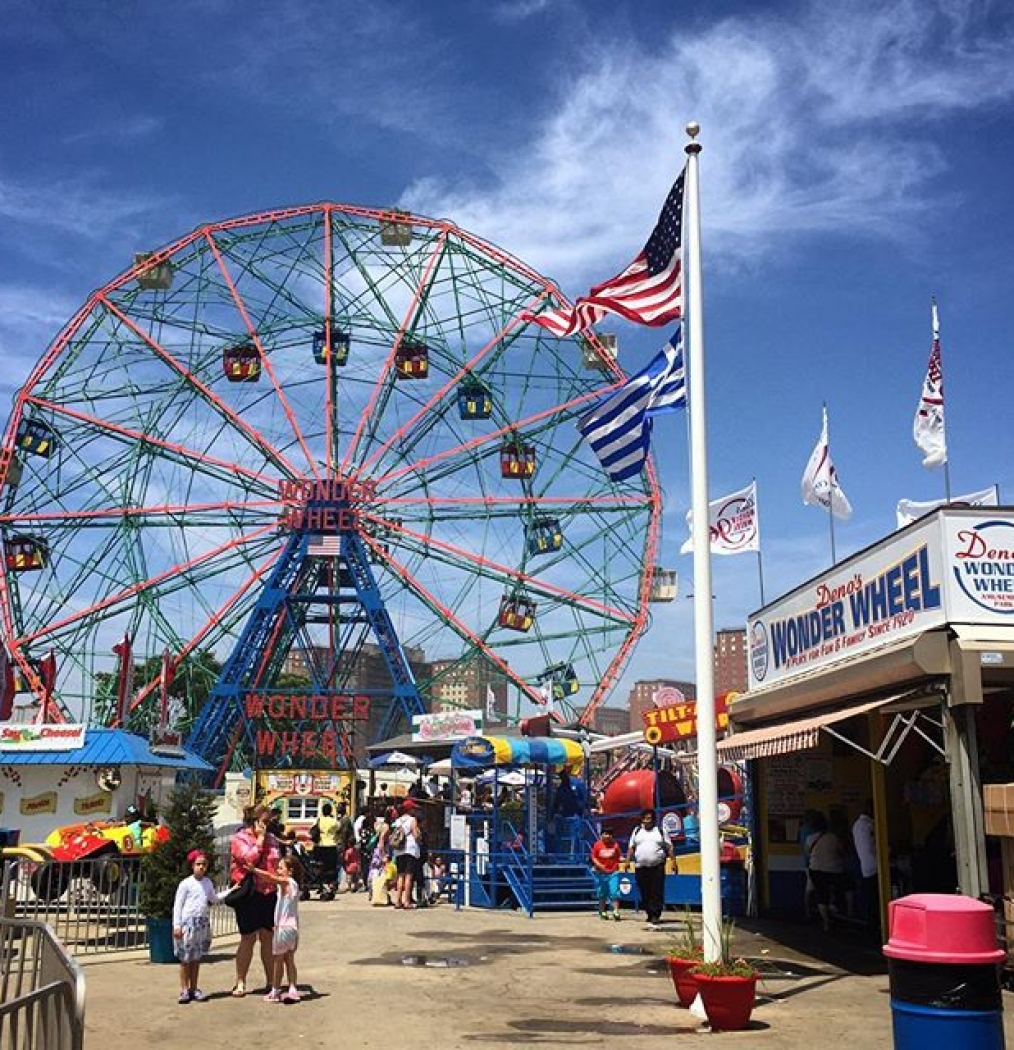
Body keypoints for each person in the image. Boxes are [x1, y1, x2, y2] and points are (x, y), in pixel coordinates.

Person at [229, 804, 281, 997]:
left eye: (270, 821)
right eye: (265, 821)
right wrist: (259, 840)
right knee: (248, 937)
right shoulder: (240, 839)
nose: (268, 825)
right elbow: (248, 859)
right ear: (255, 821)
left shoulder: (273, 840)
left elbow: (276, 862)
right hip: (249, 892)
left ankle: (271, 981)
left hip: (269, 891)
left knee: (268, 937)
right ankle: (240, 981)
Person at [172, 849, 221, 1003]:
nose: (201, 867)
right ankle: (184, 989)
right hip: (188, 924)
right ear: (192, 865)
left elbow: (213, 898)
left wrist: (231, 891)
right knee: (185, 959)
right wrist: (177, 925)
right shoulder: (186, 883)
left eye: (204, 864)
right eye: (198, 864)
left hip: (201, 923)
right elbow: (178, 905)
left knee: (196, 958)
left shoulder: (207, 882)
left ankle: (194, 987)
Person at [254, 852, 303, 1003]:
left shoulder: (288, 882)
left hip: (283, 928)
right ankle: (293, 988)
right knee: (289, 959)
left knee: (277, 960)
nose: (278, 871)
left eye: (281, 868)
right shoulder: (293, 885)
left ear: (290, 870)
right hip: (292, 928)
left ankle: (275, 990)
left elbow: (271, 878)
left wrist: (254, 869)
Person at [626, 809, 671, 926]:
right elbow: (631, 847)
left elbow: (669, 847)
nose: (647, 821)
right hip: (641, 867)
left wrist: (674, 861)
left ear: (653, 820)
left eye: (649, 819)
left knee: (656, 890)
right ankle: (649, 913)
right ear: (642, 819)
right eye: (645, 819)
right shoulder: (637, 831)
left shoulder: (660, 831)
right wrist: (627, 861)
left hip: (657, 866)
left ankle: (656, 914)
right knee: (644, 890)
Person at [805, 811, 845, 933]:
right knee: (836, 892)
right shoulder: (834, 838)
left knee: (821, 896)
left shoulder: (810, 838)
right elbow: (841, 851)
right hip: (834, 870)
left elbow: (808, 854)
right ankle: (839, 911)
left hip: (815, 870)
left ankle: (826, 922)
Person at [852, 801, 879, 936]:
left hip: (865, 867)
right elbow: (872, 848)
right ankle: (875, 931)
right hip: (875, 867)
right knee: (875, 902)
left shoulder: (857, 825)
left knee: (871, 902)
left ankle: (872, 930)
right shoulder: (870, 825)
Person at [390, 798, 422, 909]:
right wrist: (419, 833)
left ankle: (398, 901)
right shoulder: (412, 820)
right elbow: (416, 836)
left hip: (399, 850)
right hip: (410, 850)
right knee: (409, 876)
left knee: (400, 876)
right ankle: (407, 901)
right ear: (410, 809)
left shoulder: (398, 821)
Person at [552, 769, 587, 856]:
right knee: (563, 838)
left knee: (576, 837)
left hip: (576, 815)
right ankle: (563, 856)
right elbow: (557, 801)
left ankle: (576, 856)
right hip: (564, 816)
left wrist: (583, 811)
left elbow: (585, 799)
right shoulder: (561, 787)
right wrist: (553, 814)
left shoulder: (578, 784)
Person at [590, 828, 623, 921]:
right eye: (605, 834)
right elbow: (593, 857)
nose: (608, 836)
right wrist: (598, 865)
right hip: (601, 873)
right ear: (601, 835)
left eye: (610, 834)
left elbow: (619, 856)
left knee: (614, 892)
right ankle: (602, 911)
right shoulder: (597, 845)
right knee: (602, 893)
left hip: (613, 872)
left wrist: (624, 860)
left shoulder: (615, 845)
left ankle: (616, 911)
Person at [310, 802, 340, 887]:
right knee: (331, 867)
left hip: (320, 845)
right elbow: (338, 829)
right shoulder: (334, 821)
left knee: (320, 866)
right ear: (330, 811)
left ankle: (320, 883)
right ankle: (330, 883)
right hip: (332, 845)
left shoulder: (318, 820)